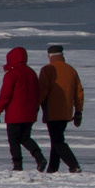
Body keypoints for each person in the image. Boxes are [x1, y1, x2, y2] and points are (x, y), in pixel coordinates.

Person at [0, 46, 46, 172]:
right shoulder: (31, 72)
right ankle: (39, 158)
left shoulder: (12, 74)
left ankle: (17, 165)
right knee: (25, 138)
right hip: (29, 113)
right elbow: (37, 93)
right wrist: (36, 109)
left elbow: (5, 95)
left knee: (14, 140)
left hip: (15, 114)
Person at [35, 43, 84, 173]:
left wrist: (36, 106)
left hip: (52, 111)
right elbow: (79, 93)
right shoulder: (71, 70)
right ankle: (52, 168)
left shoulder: (47, 70)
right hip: (66, 111)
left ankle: (74, 165)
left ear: (49, 56)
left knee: (57, 141)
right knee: (56, 139)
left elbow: (42, 91)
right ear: (62, 55)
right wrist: (78, 111)